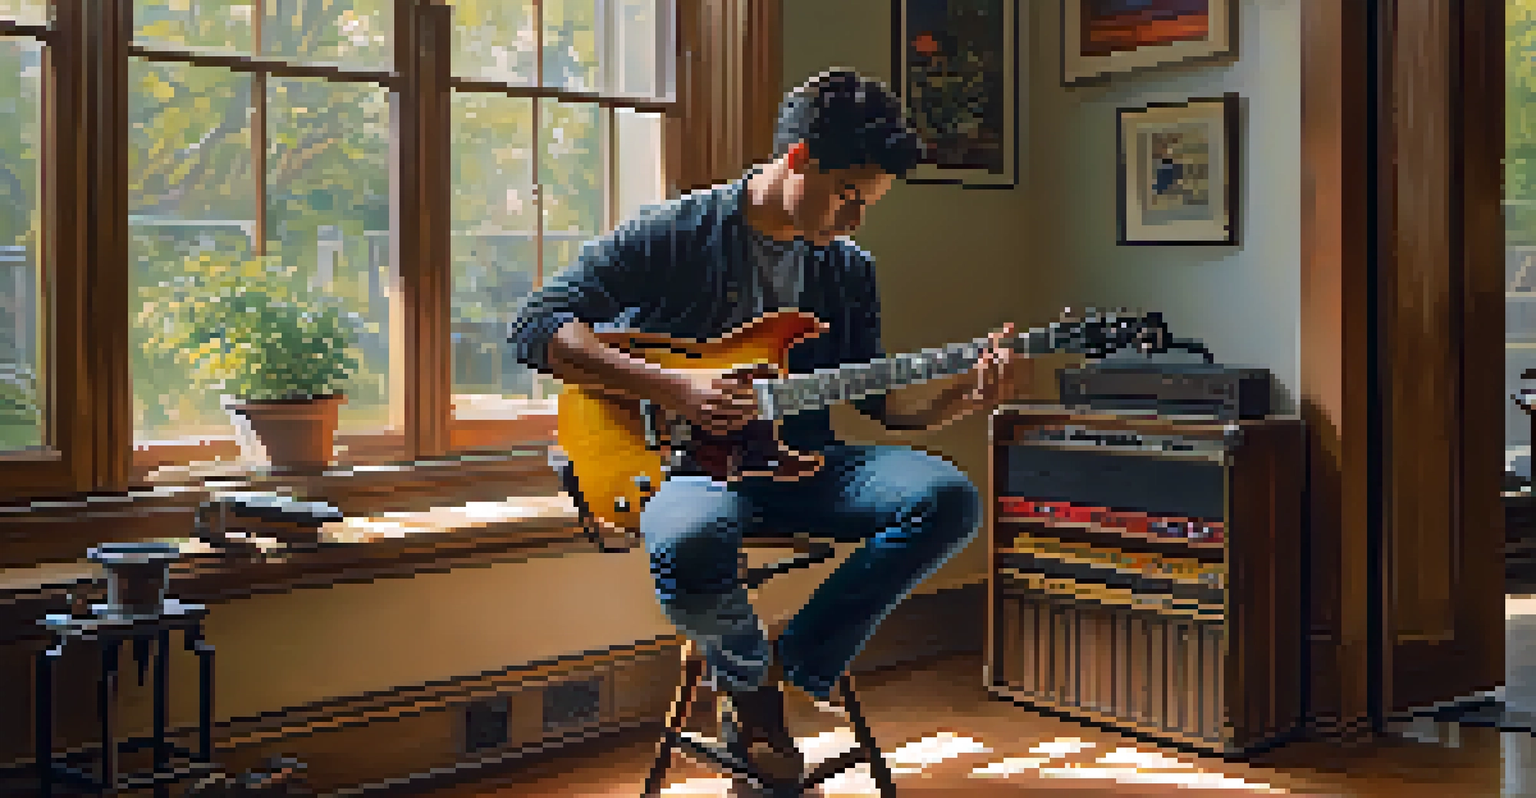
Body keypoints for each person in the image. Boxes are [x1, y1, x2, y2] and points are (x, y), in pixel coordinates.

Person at [508, 68, 1019, 791]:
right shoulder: (676, 232)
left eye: (869, 204)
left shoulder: (846, 271)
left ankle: (799, 660)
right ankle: (751, 697)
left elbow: (880, 404)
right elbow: (535, 327)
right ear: (799, 159)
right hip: (684, 466)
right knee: (688, 542)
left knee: (949, 498)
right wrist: (676, 387)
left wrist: (963, 396)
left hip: (802, 462)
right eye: (848, 196)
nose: (853, 221)